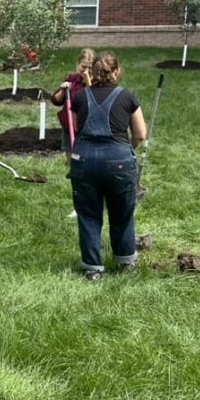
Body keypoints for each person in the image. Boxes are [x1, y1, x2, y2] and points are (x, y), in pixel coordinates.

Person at [68, 52, 146, 281]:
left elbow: (75, 131)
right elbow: (140, 135)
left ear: (91, 73)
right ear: (117, 72)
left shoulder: (80, 98)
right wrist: (124, 148)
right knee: (122, 212)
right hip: (119, 162)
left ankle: (92, 268)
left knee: (89, 214)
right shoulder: (128, 97)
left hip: (85, 162)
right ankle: (125, 261)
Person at [49, 48, 96, 160]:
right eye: (83, 67)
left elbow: (95, 100)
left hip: (86, 129)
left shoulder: (97, 82)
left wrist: (88, 81)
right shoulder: (72, 78)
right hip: (68, 126)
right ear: (77, 64)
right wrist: (63, 90)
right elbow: (56, 100)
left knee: (86, 160)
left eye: (90, 68)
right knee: (71, 162)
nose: (86, 71)